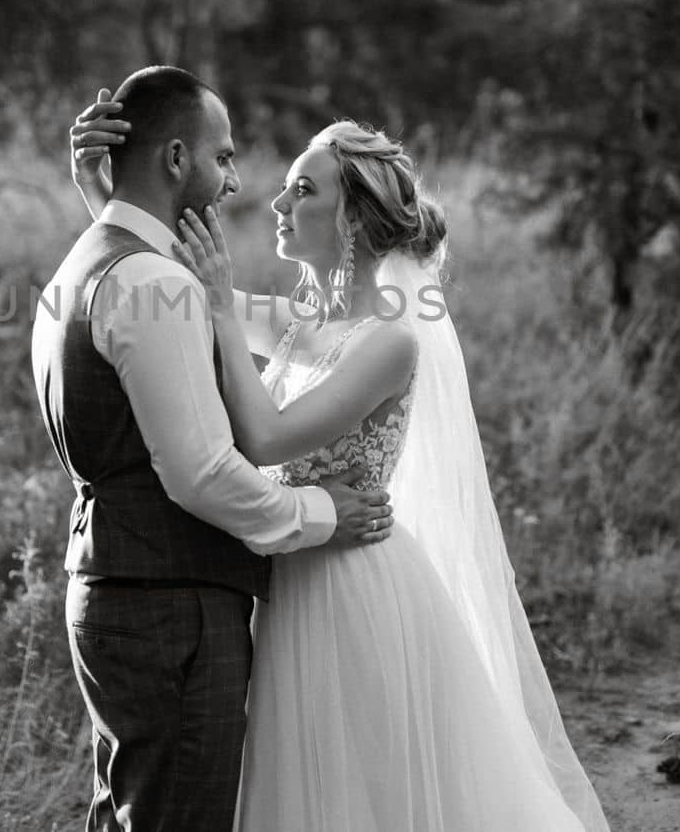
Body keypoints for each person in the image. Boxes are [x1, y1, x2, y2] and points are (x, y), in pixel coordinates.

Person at [69, 103, 611, 831]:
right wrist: (101, 193)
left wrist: (227, 314)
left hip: (355, 584)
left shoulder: (390, 341)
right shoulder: (297, 323)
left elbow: (265, 439)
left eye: (304, 190)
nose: (280, 203)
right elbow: (170, 285)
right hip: (293, 573)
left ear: (352, 218)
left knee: (363, 789)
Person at [31, 65, 395, 832]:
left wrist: (102, 191)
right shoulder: (146, 283)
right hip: (171, 608)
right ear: (174, 161)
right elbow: (201, 473)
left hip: (119, 585)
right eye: (223, 157)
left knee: (133, 813)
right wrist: (322, 512)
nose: (236, 182)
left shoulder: (88, 266)